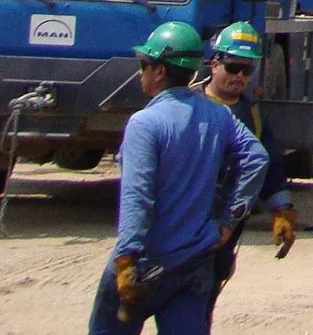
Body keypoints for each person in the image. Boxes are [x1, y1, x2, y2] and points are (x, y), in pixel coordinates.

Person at [90, 21, 268, 335]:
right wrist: (228, 220)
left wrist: (127, 260)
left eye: (143, 64)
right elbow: (257, 157)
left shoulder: (145, 124)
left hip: (147, 263)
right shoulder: (219, 116)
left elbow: (138, 196)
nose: (139, 72)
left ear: (159, 72)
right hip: (195, 263)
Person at [196, 23, 297, 261]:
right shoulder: (189, 105)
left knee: (213, 278)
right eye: (233, 68)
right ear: (214, 65)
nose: (240, 76)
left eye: (247, 70)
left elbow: (270, 163)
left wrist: (282, 211)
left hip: (226, 218)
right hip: (188, 212)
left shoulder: (252, 114)